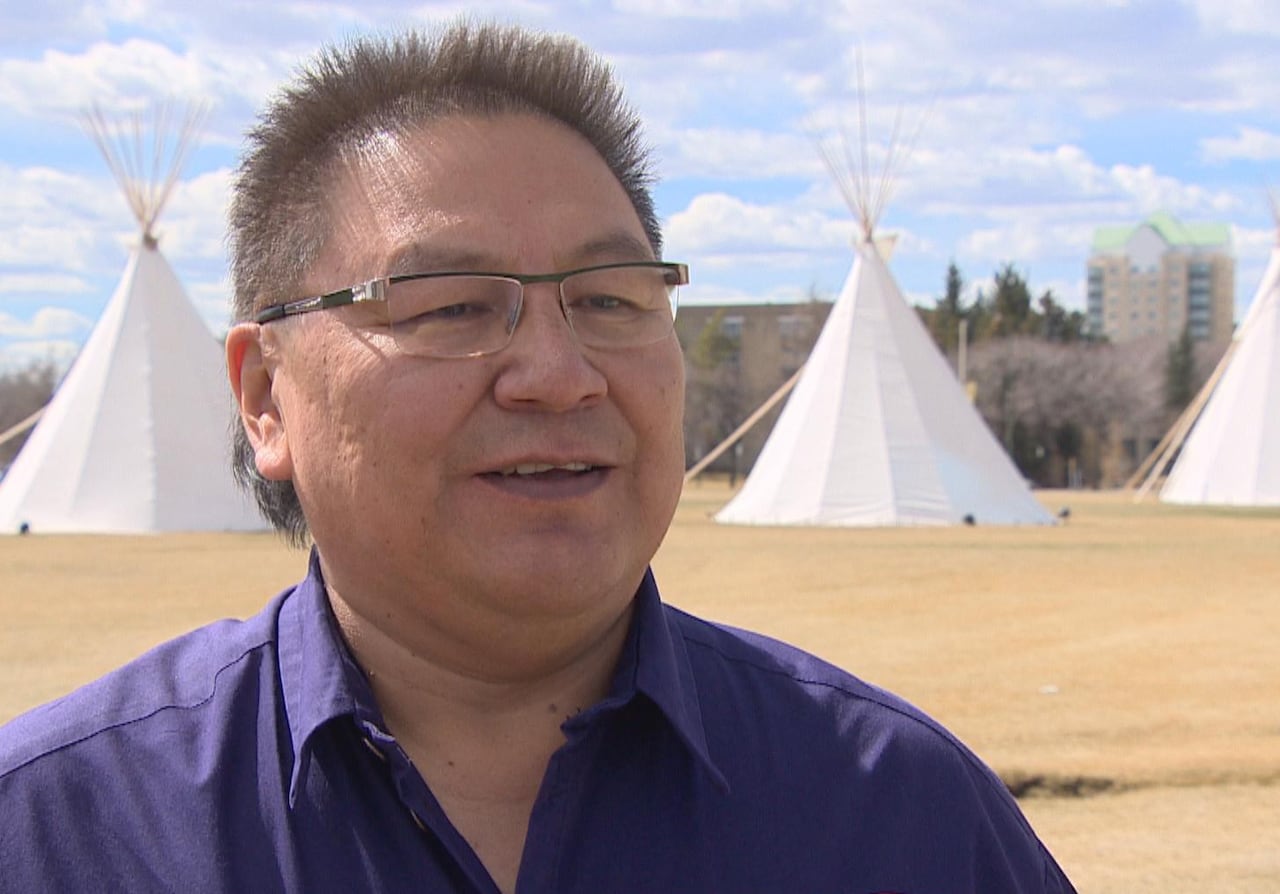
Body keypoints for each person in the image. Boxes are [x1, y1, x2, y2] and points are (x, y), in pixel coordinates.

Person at [0, 21, 1076, 894]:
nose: (558, 375)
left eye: (610, 299)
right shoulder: (63, 831)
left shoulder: (899, 816)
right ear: (265, 398)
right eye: (450, 305)